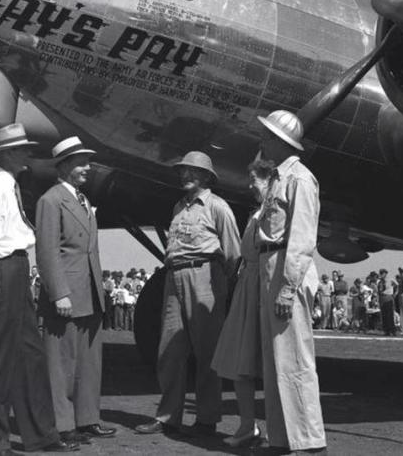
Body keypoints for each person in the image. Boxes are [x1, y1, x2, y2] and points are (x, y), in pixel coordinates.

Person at [0, 123, 78, 455]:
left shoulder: (8, 185)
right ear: (7, 153)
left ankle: (41, 435)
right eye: (22, 149)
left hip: (15, 270)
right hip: (1, 271)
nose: (28, 154)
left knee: (30, 355)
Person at [135, 151, 240, 437]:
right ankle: (168, 417)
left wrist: (217, 283)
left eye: (193, 171)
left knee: (207, 352)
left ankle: (206, 420)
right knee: (169, 349)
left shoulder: (218, 207)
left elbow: (232, 254)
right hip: (173, 277)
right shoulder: (178, 207)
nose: (186, 175)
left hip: (204, 277)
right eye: (183, 171)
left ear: (207, 176)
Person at [35, 136, 117, 446]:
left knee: (89, 363)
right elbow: (46, 251)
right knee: (61, 365)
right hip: (67, 294)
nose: (88, 167)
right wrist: (59, 292)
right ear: (65, 165)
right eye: (82, 162)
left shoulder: (82, 199)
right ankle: (62, 426)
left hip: (91, 294)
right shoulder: (51, 200)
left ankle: (87, 420)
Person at [255, 109, 327, 453]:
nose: (262, 141)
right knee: (275, 362)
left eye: (268, 136)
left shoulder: (299, 179)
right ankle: (283, 440)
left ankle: (310, 443)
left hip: (286, 268)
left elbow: (301, 237)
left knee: (295, 360)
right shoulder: (278, 179)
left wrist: (288, 287)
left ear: (282, 142)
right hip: (270, 263)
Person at [211, 158, 275, 449]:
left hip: (265, 284)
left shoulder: (275, 211)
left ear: (269, 179)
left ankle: (278, 430)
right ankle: (247, 425)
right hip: (247, 287)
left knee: (271, 364)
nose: (249, 185)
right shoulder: (258, 211)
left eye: (254, 179)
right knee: (239, 362)